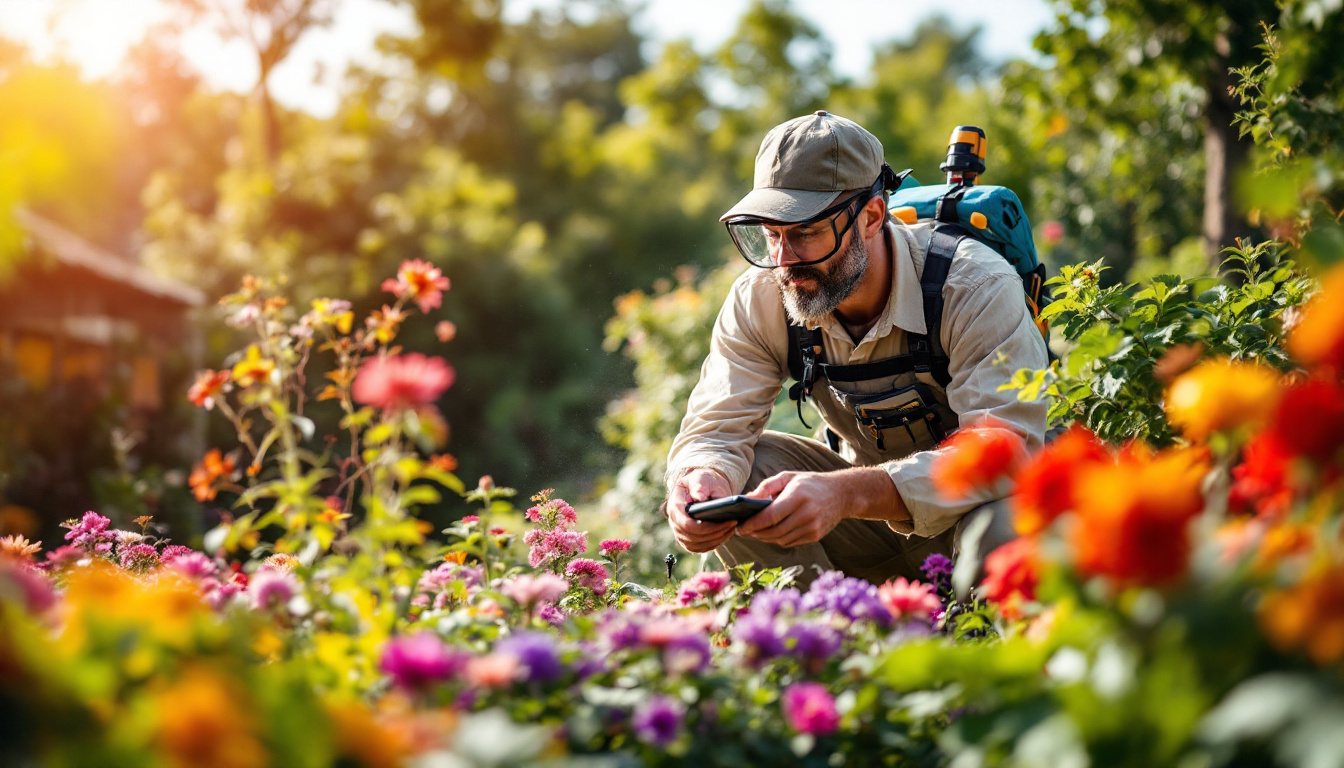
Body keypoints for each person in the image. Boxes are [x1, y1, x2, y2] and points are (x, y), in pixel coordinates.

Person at [663, 111, 1049, 587]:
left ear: (870, 217)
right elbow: (716, 429)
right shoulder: (762, 296)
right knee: (744, 476)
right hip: (871, 533)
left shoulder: (974, 286)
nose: (783, 259)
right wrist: (702, 478)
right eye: (770, 235)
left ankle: (991, 654)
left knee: (1007, 517)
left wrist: (847, 494)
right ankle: (827, 648)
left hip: (977, 530)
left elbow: (1005, 452)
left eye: (804, 233)